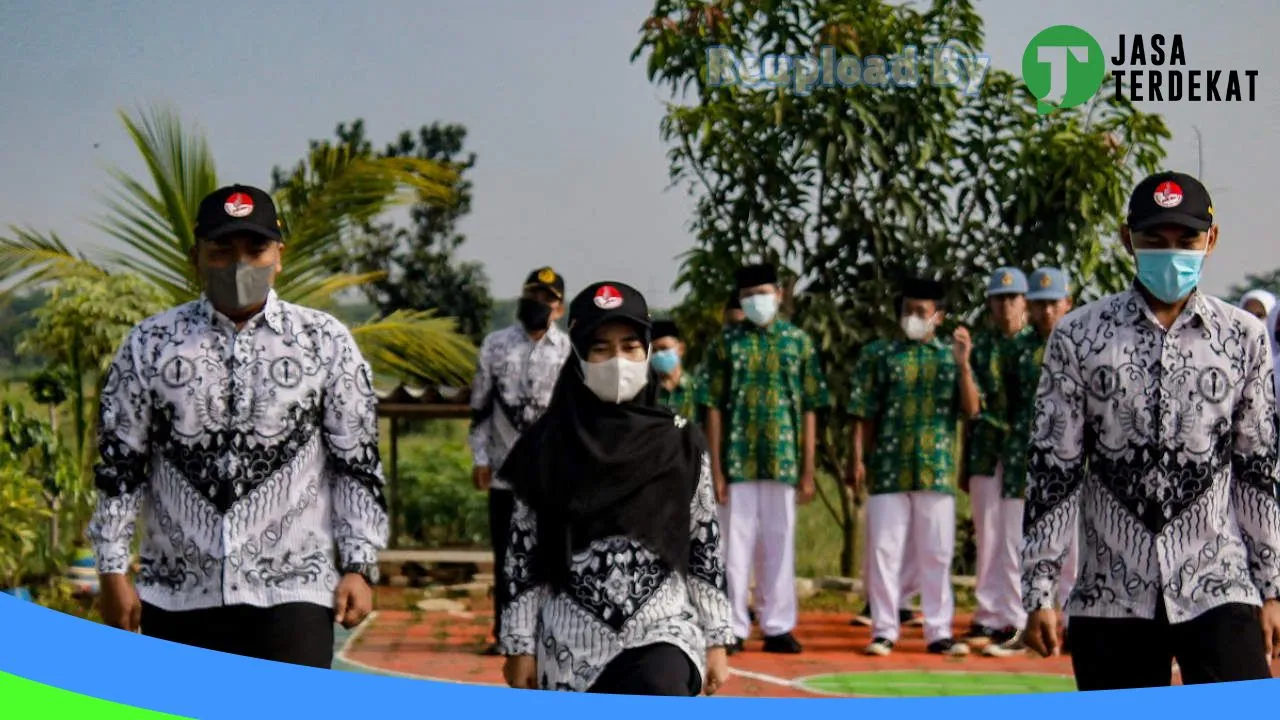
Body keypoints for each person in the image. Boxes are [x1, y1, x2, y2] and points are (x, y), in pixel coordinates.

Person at [87, 185, 387, 668]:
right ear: (196, 258)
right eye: (221, 251)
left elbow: (356, 462)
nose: (239, 265)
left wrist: (359, 567)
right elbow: (121, 465)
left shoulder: (324, 342)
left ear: (279, 256)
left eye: (255, 250)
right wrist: (112, 570)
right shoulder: (150, 344)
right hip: (177, 594)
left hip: (292, 593)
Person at [1021, 171, 1280, 689]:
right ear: (1126, 240)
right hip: (1111, 592)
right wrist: (1040, 590)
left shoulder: (1244, 337)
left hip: (1219, 583)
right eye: (1153, 241)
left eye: (1185, 241)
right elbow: (1054, 467)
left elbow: (1258, 467)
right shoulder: (1080, 336)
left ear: (1211, 239)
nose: (1171, 255)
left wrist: (1274, 588)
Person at [496, 281, 733, 695]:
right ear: (580, 357)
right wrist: (518, 646)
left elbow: (704, 544)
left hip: (663, 631)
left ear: (645, 351)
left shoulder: (680, 442)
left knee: (659, 685)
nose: (617, 360)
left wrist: (717, 639)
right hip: (569, 645)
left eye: (629, 346)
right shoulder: (547, 445)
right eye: (601, 348)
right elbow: (523, 552)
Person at [700, 263, 831, 655]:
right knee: (733, 548)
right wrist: (716, 469)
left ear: (779, 294)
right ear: (741, 299)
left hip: (784, 460)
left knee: (780, 544)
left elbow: (810, 407)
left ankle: (777, 626)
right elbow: (713, 408)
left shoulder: (798, 343)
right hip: (736, 462)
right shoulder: (724, 345)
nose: (757, 300)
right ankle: (733, 625)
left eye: (764, 292)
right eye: (749, 294)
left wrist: (809, 469)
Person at [848, 276, 981, 658]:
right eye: (908, 311)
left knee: (937, 553)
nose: (913, 318)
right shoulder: (878, 355)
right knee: (883, 552)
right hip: (888, 469)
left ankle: (939, 631)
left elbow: (972, 410)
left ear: (938, 317)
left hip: (935, 470)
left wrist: (964, 365)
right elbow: (862, 414)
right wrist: (857, 459)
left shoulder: (949, 357)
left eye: (921, 312)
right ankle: (884, 630)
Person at [468, 267, 571, 655]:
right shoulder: (495, 345)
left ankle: (546, 631)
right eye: (533, 295)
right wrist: (479, 458)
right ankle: (504, 632)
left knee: (549, 554)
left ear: (558, 308)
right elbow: (480, 408)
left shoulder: (567, 353)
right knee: (506, 555)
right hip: (503, 471)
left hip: (550, 475)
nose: (538, 304)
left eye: (547, 299)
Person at [980, 267, 1074, 658]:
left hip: (1075, 462)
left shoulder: (1084, 344)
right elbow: (998, 404)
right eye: (1038, 305)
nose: (1047, 312)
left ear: (1067, 304)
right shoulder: (1015, 351)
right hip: (1024, 461)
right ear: (1029, 309)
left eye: (1053, 304)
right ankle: (1020, 622)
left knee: (1074, 549)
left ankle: (1073, 624)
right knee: (1018, 546)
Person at [963, 267, 1030, 650]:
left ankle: (1016, 616)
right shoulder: (980, 347)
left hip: (1022, 452)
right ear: (989, 303)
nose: (1005, 306)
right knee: (987, 535)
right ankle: (987, 615)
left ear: (1023, 303)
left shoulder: (1033, 347)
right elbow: (969, 411)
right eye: (999, 298)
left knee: (1014, 536)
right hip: (986, 450)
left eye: (1012, 298)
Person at [651, 320, 703, 426]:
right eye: (653, 351)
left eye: (664, 348)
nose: (659, 354)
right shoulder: (647, 393)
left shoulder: (698, 389)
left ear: (681, 349)